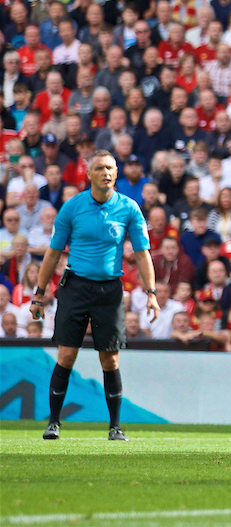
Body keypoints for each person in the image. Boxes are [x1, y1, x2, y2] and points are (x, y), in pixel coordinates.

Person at [31, 150, 159, 441]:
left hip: (109, 290)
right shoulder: (72, 207)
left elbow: (142, 254)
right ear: (88, 174)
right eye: (100, 168)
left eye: (111, 168)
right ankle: (53, 423)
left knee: (110, 360)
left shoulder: (129, 208)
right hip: (75, 287)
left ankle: (115, 426)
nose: (107, 173)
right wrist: (39, 294)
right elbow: (52, 253)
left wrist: (151, 293)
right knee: (66, 355)